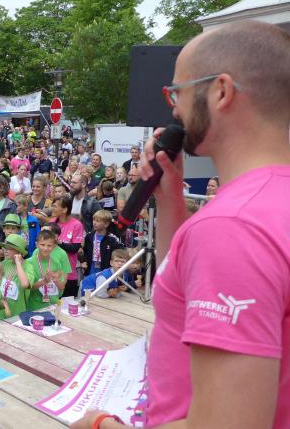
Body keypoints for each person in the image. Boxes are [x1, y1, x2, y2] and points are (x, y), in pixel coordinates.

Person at [72, 21, 290, 429]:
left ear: (221, 91)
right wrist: (170, 200)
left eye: (178, 92)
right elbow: (191, 290)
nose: (173, 109)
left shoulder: (232, 227)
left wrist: (100, 425)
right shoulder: (259, 207)